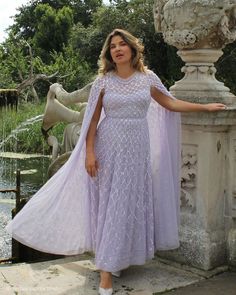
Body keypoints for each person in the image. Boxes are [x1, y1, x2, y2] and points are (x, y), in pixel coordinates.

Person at [5, 29, 226, 295]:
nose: (118, 49)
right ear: (109, 53)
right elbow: (92, 121)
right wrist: (89, 152)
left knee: (126, 204)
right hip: (108, 149)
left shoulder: (148, 78)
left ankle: (115, 257)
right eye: (113, 46)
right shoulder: (103, 81)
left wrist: (206, 107)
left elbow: (170, 103)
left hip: (137, 151)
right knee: (111, 206)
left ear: (133, 49)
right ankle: (106, 274)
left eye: (123, 44)